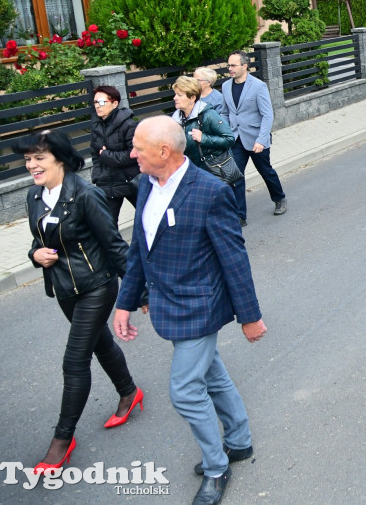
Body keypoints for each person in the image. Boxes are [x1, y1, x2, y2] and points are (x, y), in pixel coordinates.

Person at [113, 116, 266, 505]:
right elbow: (139, 251)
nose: (132, 154)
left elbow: (234, 259)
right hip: (167, 303)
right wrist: (125, 303)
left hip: (200, 306)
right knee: (212, 374)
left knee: (184, 391)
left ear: (164, 151)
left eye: (138, 147)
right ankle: (240, 440)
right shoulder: (145, 184)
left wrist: (250, 317)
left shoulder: (210, 191)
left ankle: (217, 468)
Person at [16, 130, 142, 475]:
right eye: (28, 159)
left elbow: (115, 246)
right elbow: (38, 239)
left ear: (59, 158)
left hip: (96, 286)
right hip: (64, 289)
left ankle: (62, 440)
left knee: (74, 361)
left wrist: (138, 294)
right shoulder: (34, 195)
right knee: (99, 342)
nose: (32, 165)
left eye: (39, 158)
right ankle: (129, 393)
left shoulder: (87, 195)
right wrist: (34, 254)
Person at [222, 51, 287, 225]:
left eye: (233, 65)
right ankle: (240, 215)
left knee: (266, 171)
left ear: (245, 66)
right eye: (229, 65)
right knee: (236, 176)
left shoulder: (258, 86)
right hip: (236, 139)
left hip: (256, 139)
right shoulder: (225, 86)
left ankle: (279, 198)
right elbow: (227, 112)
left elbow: (267, 115)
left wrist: (261, 139)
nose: (230, 69)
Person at [90, 85, 140, 225]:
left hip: (129, 180)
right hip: (107, 182)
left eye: (101, 102)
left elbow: (133, 154)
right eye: (95, 102)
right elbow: (95, 154)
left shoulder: (129, 125)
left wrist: (106, 155)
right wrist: (98, 176)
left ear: (115, 103)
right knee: (106, 226)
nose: (97, 106)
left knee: (148, 219)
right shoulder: (96, 125)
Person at [171, 76, 235, 169]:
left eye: (179, 95)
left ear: (192, 98)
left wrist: (203, 138)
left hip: (213, 171)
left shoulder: (208, 115)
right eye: (175, 94)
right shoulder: (176, 119)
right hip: (191, 171)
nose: (175, 98)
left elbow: (229, 139)